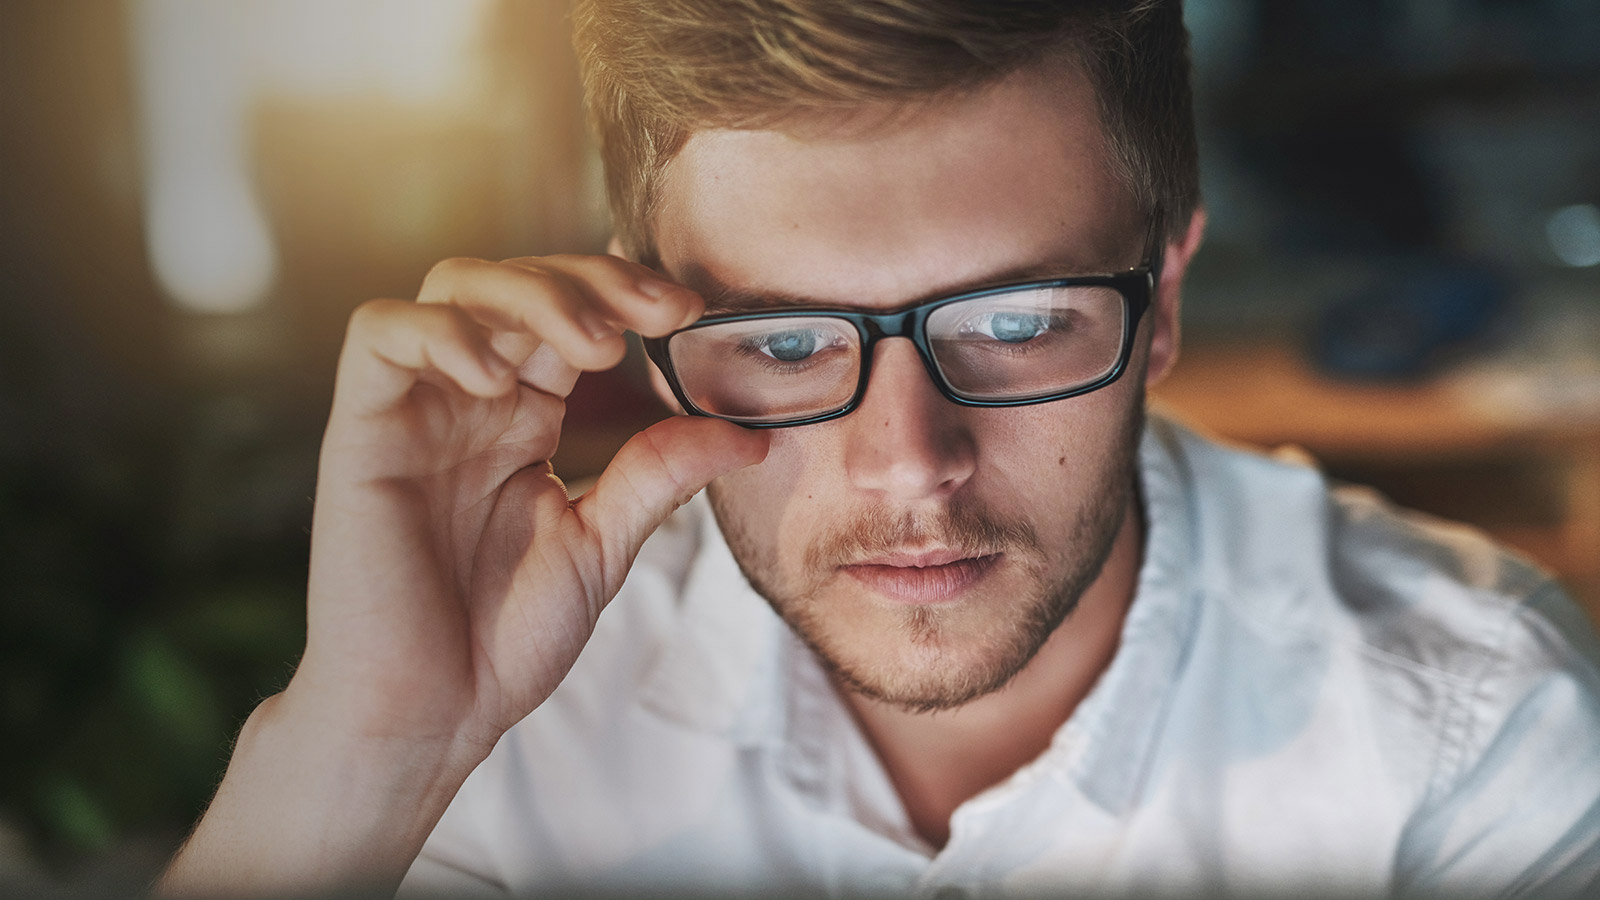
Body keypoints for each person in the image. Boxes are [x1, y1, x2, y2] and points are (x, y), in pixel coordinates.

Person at [159, 1, 1600, 897]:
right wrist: (365, 756)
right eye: (784, 341)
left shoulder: (1469, 742)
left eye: (1021, 320)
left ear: (1161, 303)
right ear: (642, 320)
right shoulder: (520, 728)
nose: (910, 463)